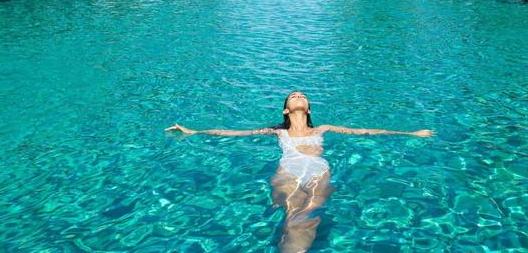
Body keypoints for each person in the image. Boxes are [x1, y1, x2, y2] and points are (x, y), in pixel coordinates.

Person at [167, 91, 433, 252]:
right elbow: (234, 133)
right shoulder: (276, 131)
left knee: (308, 213)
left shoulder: (322, 129)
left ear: (308, 108)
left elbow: (364, 131)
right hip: (288, 170)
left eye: (302, 96)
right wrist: (194, 131)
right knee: (291, 213)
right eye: (293, 96)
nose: (298, 96)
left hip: (318, 170)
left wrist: (410, 133)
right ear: (286, 109)